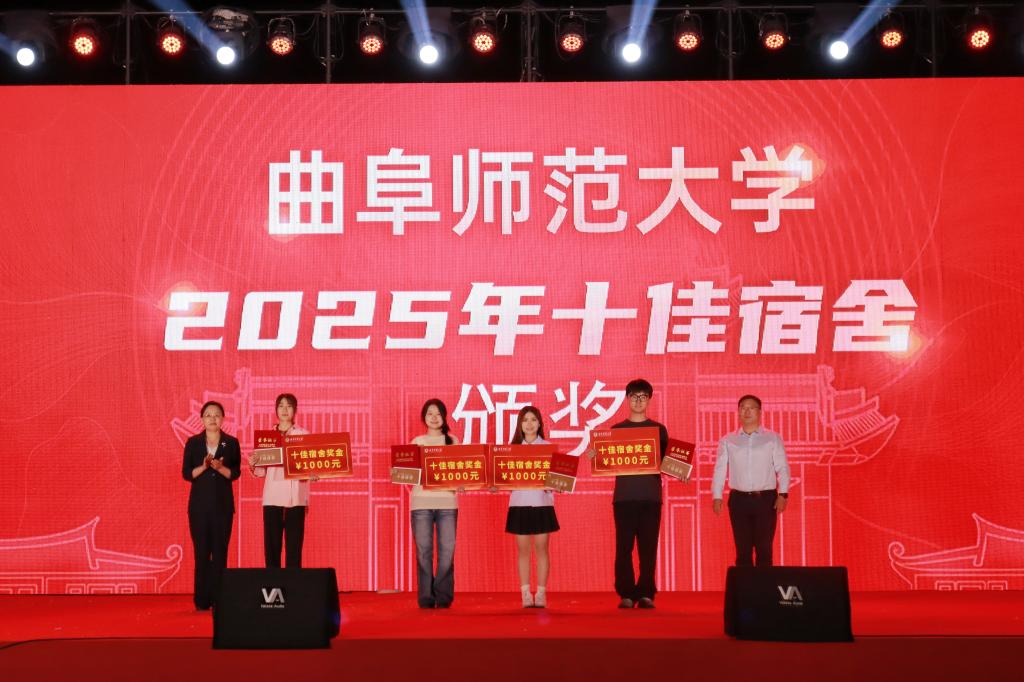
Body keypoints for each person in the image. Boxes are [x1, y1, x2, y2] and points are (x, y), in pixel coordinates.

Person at [589, 379, 670, 609]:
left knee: (648, 548)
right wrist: (597, 456)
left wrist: (680, 470)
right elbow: (607, 462)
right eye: (634, 396)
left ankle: (646, 593)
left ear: (649, 399)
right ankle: (625, 593)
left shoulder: (659, 430)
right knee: (623, 548)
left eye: (643, 396)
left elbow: (667, 462)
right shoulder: (616, 431)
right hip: (624, 497)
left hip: (650, 497)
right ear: (627, 399)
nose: (638, 401)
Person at [711, 394, 790, 568]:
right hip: (739, 500)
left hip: (766, 499)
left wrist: (783, 494)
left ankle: (764, 585)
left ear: (760, 412)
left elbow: (782, 467)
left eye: (751, 408)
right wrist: (717, 496)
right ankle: (744, 586)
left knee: (764, 550)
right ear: (738, 412)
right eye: (743, 408)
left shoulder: (772, 438)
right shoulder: (728, 440)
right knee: (742, 551)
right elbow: (720, 469)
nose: (747, 411)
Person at [181, 400, 241, 610]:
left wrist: (219, 467)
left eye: (216, 415)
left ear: (223, 419)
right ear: (202, 419)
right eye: (208, 415)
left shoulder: (231, 443)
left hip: (223, 508)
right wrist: (205, 466)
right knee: (201, 553)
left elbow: (235, 473)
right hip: (199, 508)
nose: (212, 418)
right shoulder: (193, 443)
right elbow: (187, 473)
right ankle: (202, 599)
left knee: (220, 552)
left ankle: (219, 598)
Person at [248, 393, 311, 569]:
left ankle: (293, 583)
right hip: (272, 496)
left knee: (294, 547)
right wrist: (254, 463)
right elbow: (261, 472)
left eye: (289, 406)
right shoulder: (267, 437)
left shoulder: (303, 434)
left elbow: (308, 468)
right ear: (276, 409)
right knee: (272, 547)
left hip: (296, 497)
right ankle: (272, 583)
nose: (284, 409)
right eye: (281, 405)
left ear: (295, 410)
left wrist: (307, 499)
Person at [506, 406, 560, 608]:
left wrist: (558, 484)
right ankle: (525, 593)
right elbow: (503, 479)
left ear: (539, 424)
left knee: (542, 549)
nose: (529, 424)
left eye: (533, 420)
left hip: (541, 504)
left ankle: (541, 593)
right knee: (523, 551)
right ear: (520, 424)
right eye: (525, 420)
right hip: (519, 504)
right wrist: (495, 484)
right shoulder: (511, 450)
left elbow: (558, 480)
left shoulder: (548, 448)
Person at [410, 399, 460, 608]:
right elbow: (407, 473)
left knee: (447, 552)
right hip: (421, 503)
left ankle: (443, 595)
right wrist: (397, 472)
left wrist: (462, 483)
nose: (434, 417)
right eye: (430, 413)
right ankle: (426, 596)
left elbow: (461, 471)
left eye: (438, 413)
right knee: (424, 552)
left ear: (444, 417)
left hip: (448, 503)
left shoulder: (453, 441)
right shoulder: (416, 442)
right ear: (424, 417)